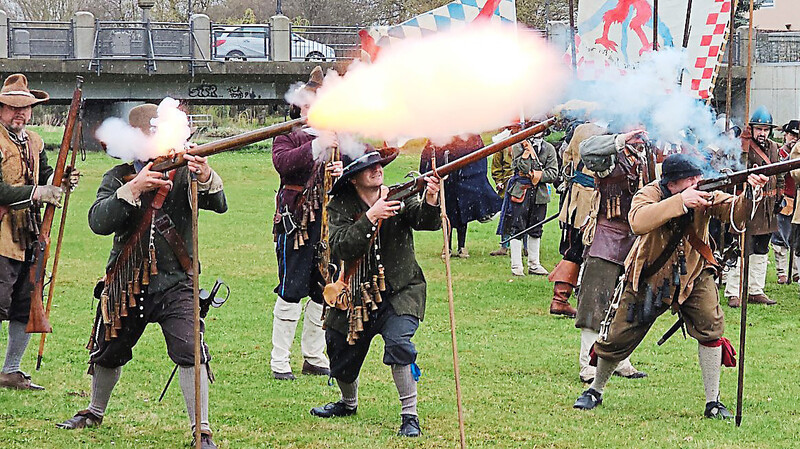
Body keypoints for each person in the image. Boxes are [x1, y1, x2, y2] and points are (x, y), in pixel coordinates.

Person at [57, 104, 226, 449]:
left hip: (177, 280)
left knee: (190, 348)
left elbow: (219, 202)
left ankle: (202, 429)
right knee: (108, 351)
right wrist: (133, 189)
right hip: (127, 280)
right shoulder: (118, 177)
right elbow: (98, 222)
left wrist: (205, 174)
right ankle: (94, 411)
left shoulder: (185, 172)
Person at [574, 154, 768, 418]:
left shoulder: (704, 192)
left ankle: (713, 402)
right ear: (673, 183)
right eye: (691, 180)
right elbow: (638, 221)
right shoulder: (650, 192)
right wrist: (681, 202)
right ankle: (595, 390)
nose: (697, 182)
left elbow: (736, 214)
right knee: (618, 336)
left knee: (711, 327)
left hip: (694, 273)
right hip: (649, 275)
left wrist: (751, 194)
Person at [309, 148, 441, 437]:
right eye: (368, 167)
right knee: (338, 346)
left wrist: (431, 198)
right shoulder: (340, 206)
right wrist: (370, 217)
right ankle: (347, 402)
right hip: (356, 295)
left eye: (379, 165)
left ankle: (410, 416)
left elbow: (425, 221)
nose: (377, 169)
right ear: (354, 179)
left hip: (402, 290)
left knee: (398, 344)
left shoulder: (398, 194)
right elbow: (342, 247)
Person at [0, 73, 78, 391]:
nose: (20, 113)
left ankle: (11, 371)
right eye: (12, 108)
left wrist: (62, 179)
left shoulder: (34, 141)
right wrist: (37, 193)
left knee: (25, 304)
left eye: (25, 108)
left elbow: (47, 174)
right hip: (2, 237)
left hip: (30, 236)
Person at [270, 66, 343, 380]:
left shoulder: (340, 134)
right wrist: (316, 144)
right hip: (296, 220)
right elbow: (284, 164)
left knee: (321, 288)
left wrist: (343, 170)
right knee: (290, 290)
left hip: (329, 221)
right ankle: (279, 359)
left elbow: (370, 160)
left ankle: (313, 355)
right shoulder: (286, 134)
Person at [573, 128, 651, 383]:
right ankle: (588, 364)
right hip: (606, 238)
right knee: (595, 303)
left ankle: (619, 360)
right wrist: (621, 140)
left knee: (625, 304)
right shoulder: (610, 156)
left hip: (634, 239)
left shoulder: (644, 156)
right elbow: (587, 150)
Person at [724, 106, 783, 307]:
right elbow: (733, 169)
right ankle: (733, 291)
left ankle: (755, 290)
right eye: (759, 129)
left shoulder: (774, 148)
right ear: (752, 129)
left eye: (766, 130)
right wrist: (741, 146)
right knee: (739, 249)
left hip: (767, 208)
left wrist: (780, 197)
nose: (762, 133)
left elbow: (780, 174)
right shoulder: (743, 147)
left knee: (761, 249)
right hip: (746, 205)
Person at [548, 122, 605, 317]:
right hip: (593, 200)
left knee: (574, 248)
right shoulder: (611, 134)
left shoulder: (582, 129)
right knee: (585, 250)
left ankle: (561, 299)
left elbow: (567, 160)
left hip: (576, 198)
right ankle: (566, 300)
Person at [420, 134, 500, 258]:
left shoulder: (471, 137)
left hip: (464, 182)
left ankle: (462, 247)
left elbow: (479, 159)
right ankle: (447, 247)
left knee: (463, 216)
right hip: (445, 183)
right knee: (447, 215)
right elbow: (427, 158)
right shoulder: (438, 135)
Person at [498, 133, 558, 276]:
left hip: (540, 194)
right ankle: (516, 266)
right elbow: (520, 168)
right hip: (521, 191)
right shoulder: (519, 146)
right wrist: (526, 153)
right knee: (517, 228)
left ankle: (534, 264)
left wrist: (536, 175)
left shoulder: (549, 148)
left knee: (536, 228)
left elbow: (553, 173)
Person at [772, 120, 799, 283]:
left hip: (797, 199)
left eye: (797, 135)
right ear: (785, 135)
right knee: (780, 237)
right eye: (792, 135)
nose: (794, 138)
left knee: (795, 238)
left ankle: (795, 271)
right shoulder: (778, 152)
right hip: (783, 198)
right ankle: (782, 271)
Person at [489, 130, 516, 256]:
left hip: (525, 185)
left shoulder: (528, 143)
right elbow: (496, 166)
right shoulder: (503, 145)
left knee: (525, 217)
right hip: (507, 186)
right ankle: (504, 246)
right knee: (506, 217)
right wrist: (499, 181)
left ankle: (526, 247)